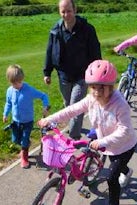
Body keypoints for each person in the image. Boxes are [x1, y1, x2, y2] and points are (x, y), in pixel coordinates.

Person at [38, 60, 137, 205]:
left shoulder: (120, 104)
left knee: (111, 177)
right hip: (106, 143)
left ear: (111, 86)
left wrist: (102, 141)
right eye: (93, 87)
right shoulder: (91, 99)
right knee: (115, 165)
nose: (96, 92)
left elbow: (125, 130)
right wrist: (51, 119)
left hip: (124, 146)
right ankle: (125, 170)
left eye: (101, 88)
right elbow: (72, 110)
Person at [42, 0, 101, 140]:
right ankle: (74, 126)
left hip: (82, 76)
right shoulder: (55, 30)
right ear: (59, 12)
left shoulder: (87, 29)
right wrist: (47, 72)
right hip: (63, 76)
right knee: (68, 105)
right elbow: (49, 51)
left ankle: (74, 138)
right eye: (63, 11)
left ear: (75, 10)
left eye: (68, 10)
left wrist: (97, 73)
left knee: (76, 106)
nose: (66, 14)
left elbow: (95, 52)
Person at [3, 64, 50, 169]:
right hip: (16, 121)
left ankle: (24, 157)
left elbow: (43, 96)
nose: (17, 85)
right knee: (16, 140)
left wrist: (46, 106)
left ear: (22, 79)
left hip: (28, 121)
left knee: (24, 140)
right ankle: (25, 145)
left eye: (19, 82)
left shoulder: (28, 90)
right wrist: (5, 114)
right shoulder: (10, 91)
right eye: (14, 83)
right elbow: (8, 103)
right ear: (10, 81)